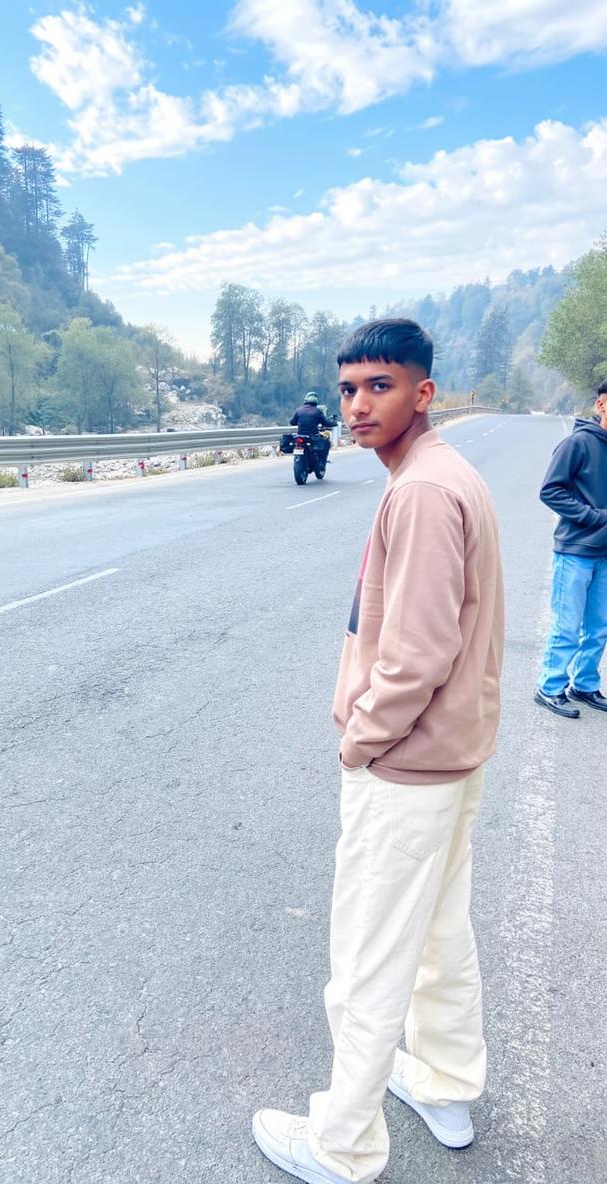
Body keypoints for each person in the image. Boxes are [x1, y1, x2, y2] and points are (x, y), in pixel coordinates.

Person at [252, 319, 504, 1184]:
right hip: (451, 753)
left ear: (423, 393)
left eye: (380, 387)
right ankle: (442, 1082)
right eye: (350, 387)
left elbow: (418, 653)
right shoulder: (439, 474)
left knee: (367, 952)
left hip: (408, 762)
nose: (359, 405)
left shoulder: (424, 491)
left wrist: (360, 741)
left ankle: (342, 1143)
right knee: (437, 933)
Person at [533, 380, 607, 718]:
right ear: (601, 405)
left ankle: (585, 684)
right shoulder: (577, 443)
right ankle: (550, 687)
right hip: (576, 550)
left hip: (605, 554)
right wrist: (592, 517)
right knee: (567, 625)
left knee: (599, 626)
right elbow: (551, 490)